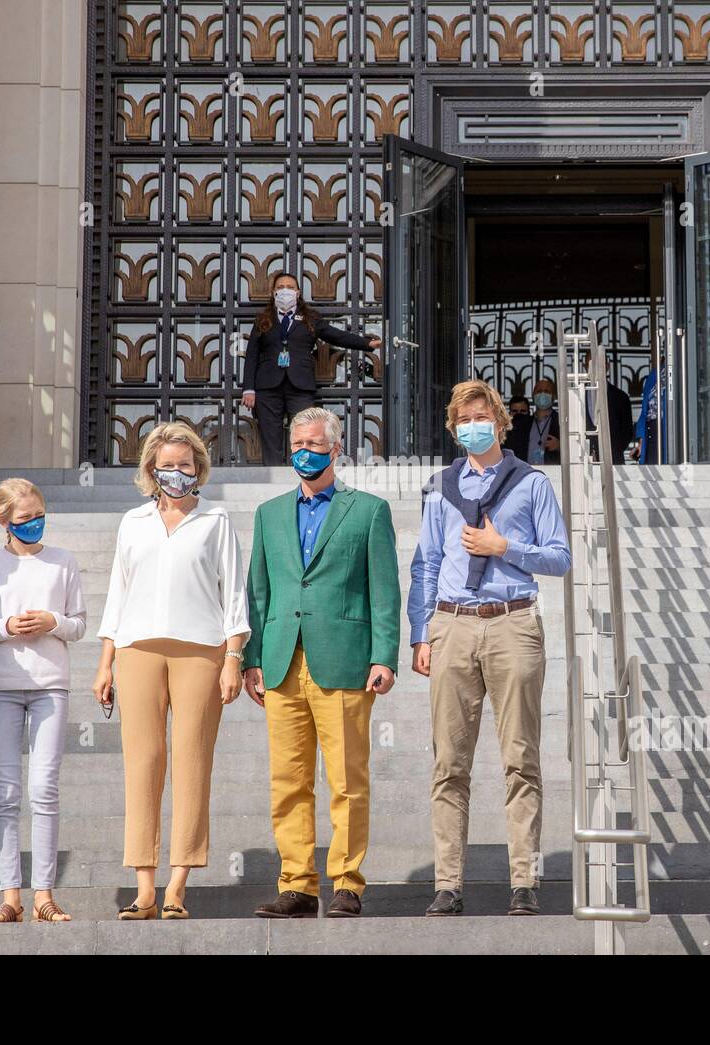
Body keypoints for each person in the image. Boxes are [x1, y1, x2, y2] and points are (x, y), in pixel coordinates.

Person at [408, 380, 571, 917]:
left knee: (520, 758)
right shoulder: (440, 488)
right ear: (454, 430)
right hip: (452, 625)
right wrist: (421, 631)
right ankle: (448, 884)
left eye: (482, 416)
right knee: (448, 762)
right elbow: (426, 563)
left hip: (513, 622)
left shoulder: (532, 484)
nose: (472, 425)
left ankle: (523, 881)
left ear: (500, 423)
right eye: (463, 419)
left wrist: (507, 548)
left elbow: (560, 558)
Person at [243, 407, 400, 918]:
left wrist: (385, 655)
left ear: (335, 449)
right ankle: (297, 883)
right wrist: (251, 657)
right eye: (296, 444)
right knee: (288, 779)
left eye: (314, 444)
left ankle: (347, 883)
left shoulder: (369, 511)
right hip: (283, 659)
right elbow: (258, 593)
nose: (303, 452)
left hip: (345, 661)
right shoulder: (268, 514)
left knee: (347, 781)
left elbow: (384, 591)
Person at [93, 421, 250, 920]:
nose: (176, 473)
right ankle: (143, 886)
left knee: (191, 762)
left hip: (200, 651)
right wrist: (106, 663)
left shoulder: (216, 521)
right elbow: (118, 593)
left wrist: (232, 658)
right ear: (150, 470)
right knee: (142, 763)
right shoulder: (132, 522)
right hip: (137, 649)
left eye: (185, 465)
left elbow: (235, 597)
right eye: (167, 465)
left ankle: (179, 885)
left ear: (198, 468)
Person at [0, 478, 86, 924]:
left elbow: (79, 624)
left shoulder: (63, 561)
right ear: (4, 521)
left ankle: (44, 895)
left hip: (50, 685)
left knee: (44, 789)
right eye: (24, 519)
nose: (34, 525)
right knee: (4, 792)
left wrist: (52, 620)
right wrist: (7, 627)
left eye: (40, 516)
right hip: (1, 686)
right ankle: (10, 896)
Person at [242, 272, 383, 466]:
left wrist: (367, 344)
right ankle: (273, 478)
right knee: (270, 435)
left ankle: (303, 473)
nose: (286, 291)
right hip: (267, 386)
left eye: (290, 287)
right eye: (281, 287)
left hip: (300, 386)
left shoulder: (310, 318)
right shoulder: (263, 320)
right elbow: (251, 356)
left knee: (305, 432)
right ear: (274, 291)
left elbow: (336, 336)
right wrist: (248, 389)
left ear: (298, 292)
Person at [508, 378, 560, 464]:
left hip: (554, 472)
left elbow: (575, 449)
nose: (542, 394)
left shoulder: (561, 422)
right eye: (539, 391)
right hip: (527, 472)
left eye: (547, 391)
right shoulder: (522, 424)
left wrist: (559, 446)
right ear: (533, 396)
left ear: (553, 396)